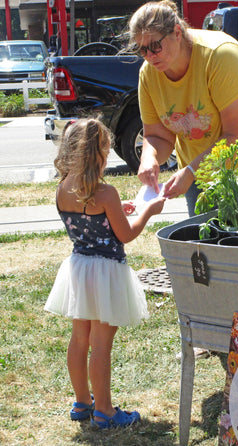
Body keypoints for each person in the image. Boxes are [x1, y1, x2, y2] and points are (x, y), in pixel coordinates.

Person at [44, 118, 166, 429]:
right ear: (97, 153)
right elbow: (125, 236)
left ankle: (83, 402)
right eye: (106, 151)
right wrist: (147, 212)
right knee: (101, 343)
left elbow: (91, 218)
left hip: (80, 269)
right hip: (107, 273)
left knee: (79, 339)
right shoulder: (106, 192)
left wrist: (116, 208)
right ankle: (106, 411)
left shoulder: (62, 189)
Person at [128, 0, 238, 217]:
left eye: (155, 46)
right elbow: (157, 136)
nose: (149, 56)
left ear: (177, 32)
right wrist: (149, 159)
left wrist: (191, 171)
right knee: (207, 243)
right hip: (201, 166)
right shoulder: (148, 74)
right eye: (141, 49)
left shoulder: (220, 55)